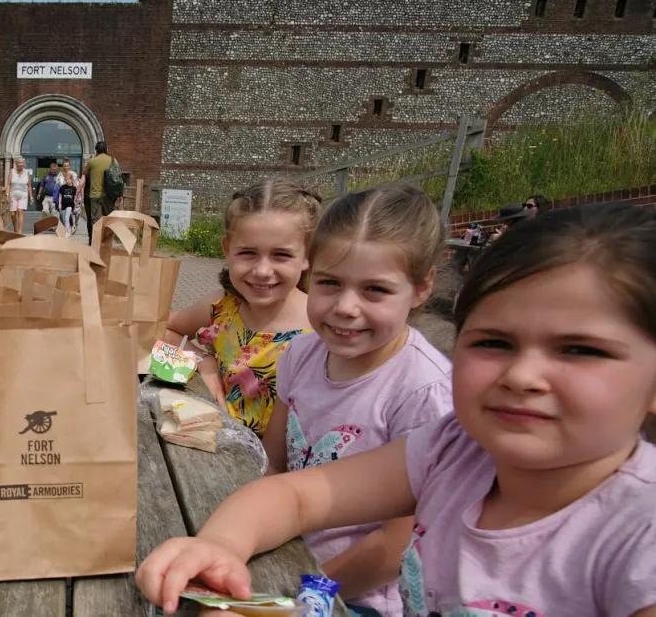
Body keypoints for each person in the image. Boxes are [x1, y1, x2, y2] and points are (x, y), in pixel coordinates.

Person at [137, 202, 656, 617]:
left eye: (581, 351)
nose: (521, 376)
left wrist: (300, 597)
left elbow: (380, 546)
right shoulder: (455, 449)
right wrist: (221, 544)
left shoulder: (637, 537)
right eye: (494, 342)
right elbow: (288, 488)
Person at [259, 184, 453, 616]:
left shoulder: (425, 392)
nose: (346, 307)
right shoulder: (301, 354)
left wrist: (299, 596)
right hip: (286, 556)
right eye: (329, 283)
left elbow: (392, 549)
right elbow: (274, 463)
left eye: (375, 291)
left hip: (358, 596)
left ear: (422, 288)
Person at [166, 180, 321, 437]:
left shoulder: (321, 328)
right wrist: (203, 361)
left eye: (281, 255)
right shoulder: (222, 308)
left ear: (307, 255)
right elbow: (160, 326)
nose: (262, 271)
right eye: (248, 253)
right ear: (227, 250)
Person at [82, 141, 116, 244]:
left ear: (96, 150)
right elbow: (117, 176)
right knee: (108, 220)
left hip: (95, 196)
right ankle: (106, 243)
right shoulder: (113, 160)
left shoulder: (92, 162)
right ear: (106, 149)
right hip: (109, 196)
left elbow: (84, 175)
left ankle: (94, 244)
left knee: (95, 221)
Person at [6, 156, 31, 233]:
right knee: (13, 214)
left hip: (23, 195)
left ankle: (19, 232)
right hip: (13, 195)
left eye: (22, 163)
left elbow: (29, 185)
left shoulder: (27, 172)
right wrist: (7, 194)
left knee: (20, 211)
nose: (20, 164)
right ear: (16, 163)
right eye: (19, 163)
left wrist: (31, 197)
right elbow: (9, 184)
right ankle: (15, 229)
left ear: (24, 164)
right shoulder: (12, 171)